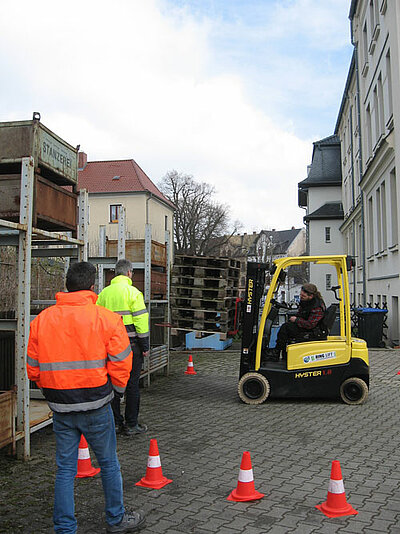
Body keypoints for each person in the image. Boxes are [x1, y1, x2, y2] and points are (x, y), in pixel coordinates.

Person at [27, 261, 145, 534]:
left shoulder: (42, 320)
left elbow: (33, 367)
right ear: (92, 287)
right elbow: (122, 362)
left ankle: (65, 528)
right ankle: (116, 520)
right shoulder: (106, 318)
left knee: (66, 469)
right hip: (97, 405)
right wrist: (115, 392)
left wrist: (51, 390)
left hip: (60, 407)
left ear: (66, 286)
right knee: (108, 464)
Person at [97, 259, 149, 436]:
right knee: (132, 385)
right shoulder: (134, 293)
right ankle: (132, 424)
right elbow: (141, 322)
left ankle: (115, 423)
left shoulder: (103, 294)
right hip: (131, 347)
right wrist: (145, 345)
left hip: (109, 348)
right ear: (129, 273)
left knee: (111, 386)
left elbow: (97, 321)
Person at [274, 283, 326, 360]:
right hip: (306, 327)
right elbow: (301, 314)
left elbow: (310, 324)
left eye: (303, 296)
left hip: (313, 331)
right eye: (300, 295)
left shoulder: (316, 307)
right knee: (288, 326)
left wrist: (296, 320)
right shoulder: (307, 302)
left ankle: (277, 352)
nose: (301, 297)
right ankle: (284, 353)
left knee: (285, 328)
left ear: (310, 296)